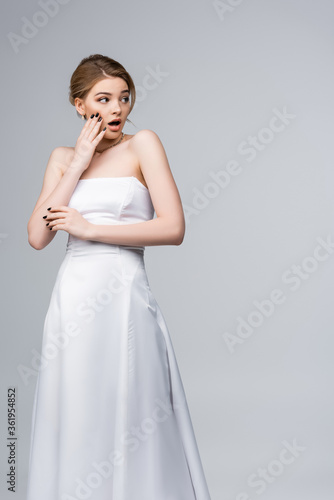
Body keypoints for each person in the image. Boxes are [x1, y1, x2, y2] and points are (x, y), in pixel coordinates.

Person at [26, 54, 211, 500]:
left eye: (124, 98)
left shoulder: (142, 144)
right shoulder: (62, 158)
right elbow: (37, 237)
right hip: (73, 300)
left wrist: (91, 228)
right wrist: (78, 163)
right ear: (78, 105)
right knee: (76, 414)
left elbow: (174, 227)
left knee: (135, 413)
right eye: (103, 99)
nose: (116, 109)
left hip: (125, 297)